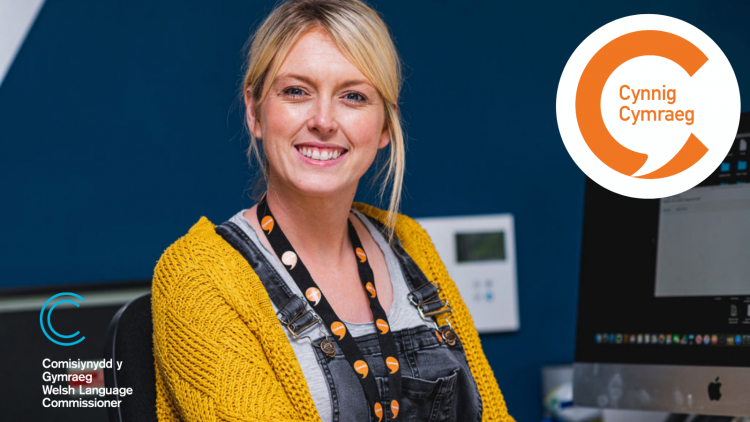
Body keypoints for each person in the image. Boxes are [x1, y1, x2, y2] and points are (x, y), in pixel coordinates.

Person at [151, 0, 514, 421]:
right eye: (296, 91)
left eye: (353, 96)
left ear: (383, 127)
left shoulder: (410, 242)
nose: (323, 120)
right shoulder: (198, 275)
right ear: (254, 112)